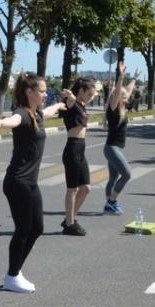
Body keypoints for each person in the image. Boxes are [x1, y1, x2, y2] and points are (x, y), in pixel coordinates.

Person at [0, 74, 72, 293]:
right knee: (24, 229)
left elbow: (50, 111)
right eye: (42, 91)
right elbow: (13, 120)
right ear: (29, 92)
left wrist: (61, 104)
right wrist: (2, 122)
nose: (45, 94)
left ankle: (15, 271)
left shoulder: (37, 114)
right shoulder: (23, 113)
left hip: (30, 182)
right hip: (18, 182)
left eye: (45, 91)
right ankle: (12, 276)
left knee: (37, 228)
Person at [60, 77, 96, 235]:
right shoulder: (71, 103)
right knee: (72, 189)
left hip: (81, 150)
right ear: (80, 91)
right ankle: (69, 224)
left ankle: (70, 218)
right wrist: (71, 96)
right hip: (73, 149)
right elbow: (71, 100)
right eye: (88, 94)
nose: (90, 97)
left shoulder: (81, 104)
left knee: (86, 188)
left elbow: (82, 99)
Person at [103, 62, 135, 215]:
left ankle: (108, 203)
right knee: (127, 174)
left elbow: (128, 90)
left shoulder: (122, 107)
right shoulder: (114, 109)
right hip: (112, 148)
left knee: (113, 178)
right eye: (124, 97)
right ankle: (112, 202)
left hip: (115, 147)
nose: (127, 98)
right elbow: (118, 93)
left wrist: (134, 78)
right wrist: (121, 77)